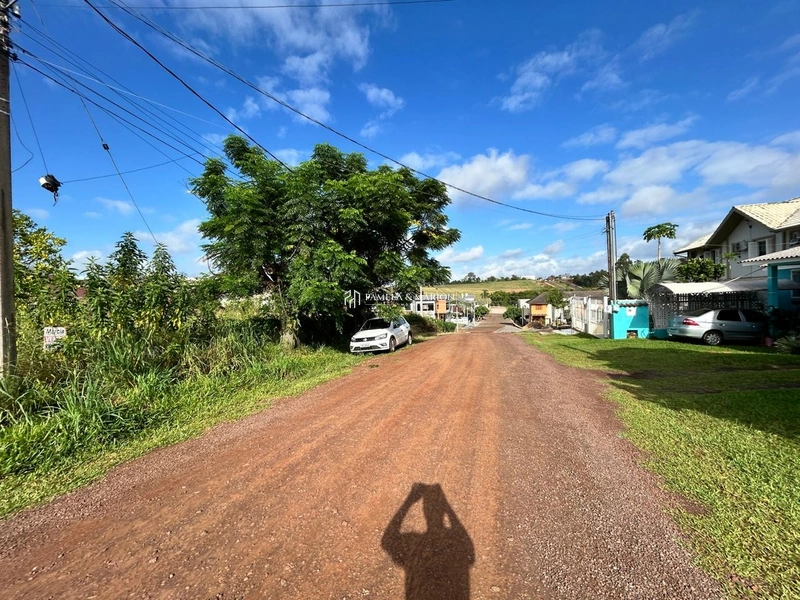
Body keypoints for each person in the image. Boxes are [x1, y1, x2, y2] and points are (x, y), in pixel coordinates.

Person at [381, 483, 474, 600]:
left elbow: (388, 539)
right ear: (443, 509)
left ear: (424, 511)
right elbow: (465, 543)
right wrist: (447, 507)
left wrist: (409, 500)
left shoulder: (415, 545)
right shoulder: (454, 544)